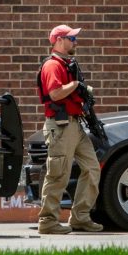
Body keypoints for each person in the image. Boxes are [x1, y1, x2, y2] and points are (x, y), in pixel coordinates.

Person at [34, 24, 103, 235]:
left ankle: (81, 217)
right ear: (58, 40)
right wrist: (75, 85)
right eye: (71, 38)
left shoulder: (67, 64)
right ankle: (47, 221)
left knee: (92, 168)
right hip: (61, 126)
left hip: (75, 124)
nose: (75, 42)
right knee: (58, 174)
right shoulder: (52, 66)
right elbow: (55, 94)